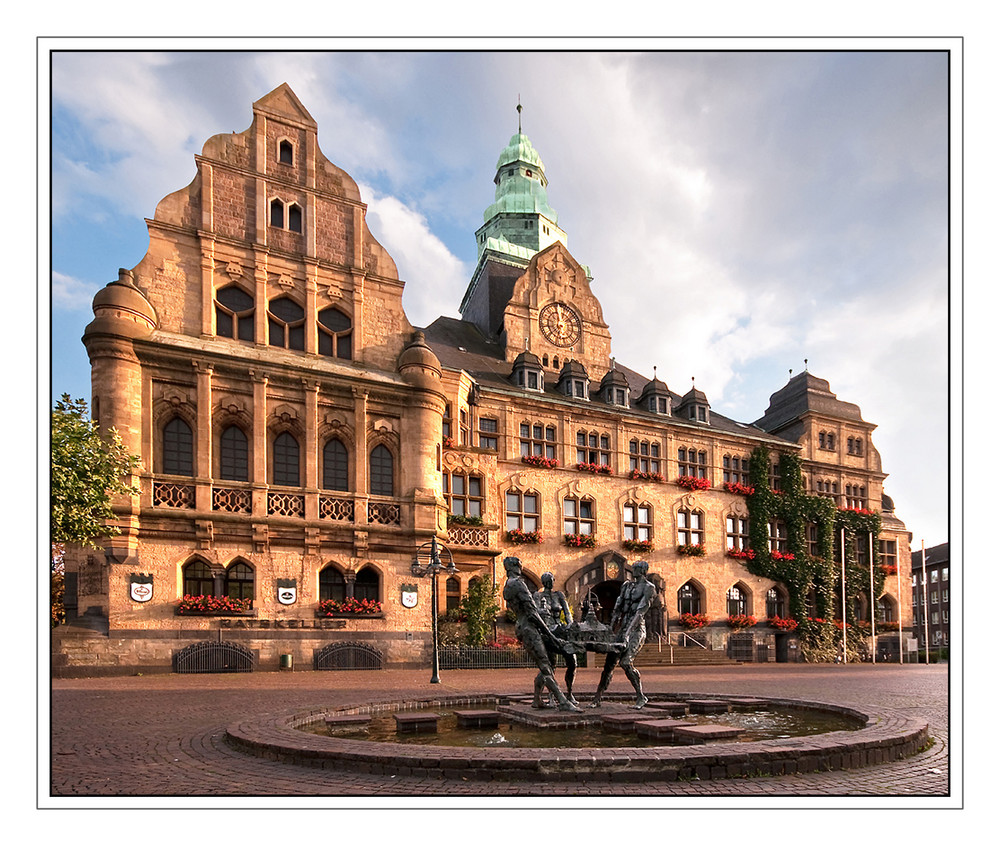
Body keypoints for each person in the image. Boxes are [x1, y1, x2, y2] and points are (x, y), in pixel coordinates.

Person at [502, 557, 581, 711]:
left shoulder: (508, 585)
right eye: (519, 564)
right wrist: (549, 635)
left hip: (523, 626)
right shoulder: (518, 584)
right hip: (530, 628)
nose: (521, 566)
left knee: (545, 664)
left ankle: (537, 699)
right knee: (546, 666)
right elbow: (533, 614)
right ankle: (563, 701)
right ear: (513, 567)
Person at [589, 560, 655, 709]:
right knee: (609, 664)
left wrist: (628, 632)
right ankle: (597, 698)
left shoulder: (649, 588)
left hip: (637, 629)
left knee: (625, 662)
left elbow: (640, 612)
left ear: (643, 570)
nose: (634, 570)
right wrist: (610, 630)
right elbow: (617, 609)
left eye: (637, 568)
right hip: (623, 628)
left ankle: (641, 696)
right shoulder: (627, 586)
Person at [533, 572, 579, 706]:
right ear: (545, 582)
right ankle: (551, 696)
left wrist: (570, 627)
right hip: (547, 632)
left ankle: (570, 693)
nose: (552, 582)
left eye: (552, 579)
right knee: (550, 666)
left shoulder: (559, 595)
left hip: (560, 630)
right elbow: (535, 613)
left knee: (572, 662)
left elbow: (567, 613)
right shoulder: (538, 596)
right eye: (550, 580)